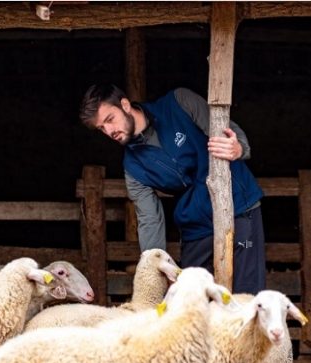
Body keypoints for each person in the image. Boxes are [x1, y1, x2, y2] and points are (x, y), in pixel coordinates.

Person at [79, 84, 265, 294]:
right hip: (195, 226)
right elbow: (150, 219)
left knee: (247, 297)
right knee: (191, 302)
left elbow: (225, 128)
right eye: (101, 128)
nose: (109, 131)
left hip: (239, 206)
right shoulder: (132, 167)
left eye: (110, 119)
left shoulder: (179, 103)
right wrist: (154, 265)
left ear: (124, 105)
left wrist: (239, 147)